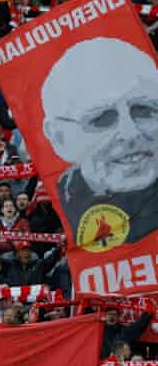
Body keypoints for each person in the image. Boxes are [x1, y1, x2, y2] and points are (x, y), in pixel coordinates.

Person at [41, 37, 158, 246]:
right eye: (102, 118)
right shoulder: (50, 215)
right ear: (60, 137)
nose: (130, 133)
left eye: (144, 109)